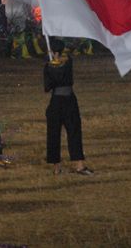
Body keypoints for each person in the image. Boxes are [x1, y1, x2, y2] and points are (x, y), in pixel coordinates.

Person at [44, 38, 93, 176]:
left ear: (51, 51)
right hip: (69, 100)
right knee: (74, 132)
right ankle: (79, 165)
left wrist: (51, 65)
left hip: (55, 101)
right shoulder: (68, 63)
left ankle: (56, 167)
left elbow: (47, 87)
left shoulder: (48, 67)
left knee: (54, 134)